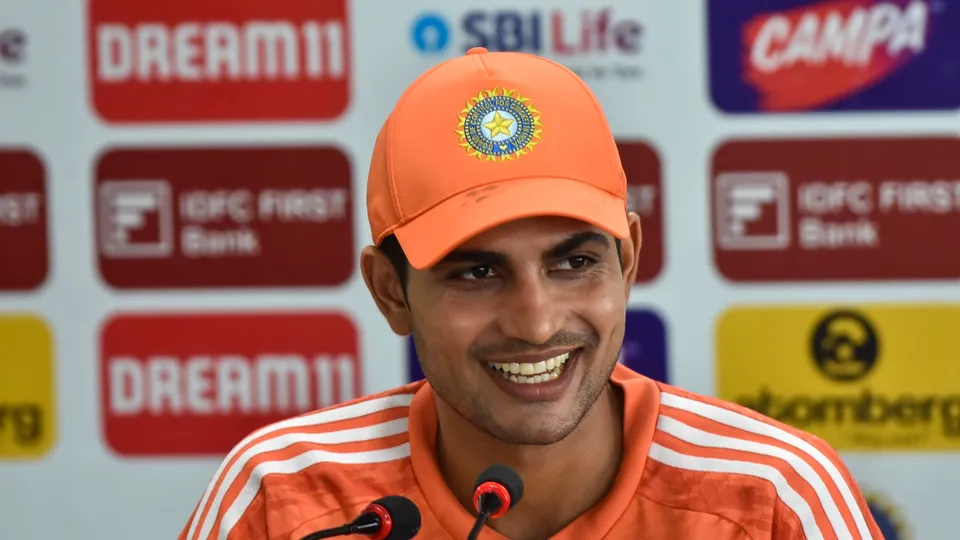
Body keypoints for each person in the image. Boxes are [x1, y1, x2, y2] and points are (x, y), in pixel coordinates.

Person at [177, 48, 884, 540]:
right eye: (476, 273)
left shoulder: (775, 499)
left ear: (628, 260)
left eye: (573, 261)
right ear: (391, 292)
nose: (538, 323)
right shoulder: (284, 497)